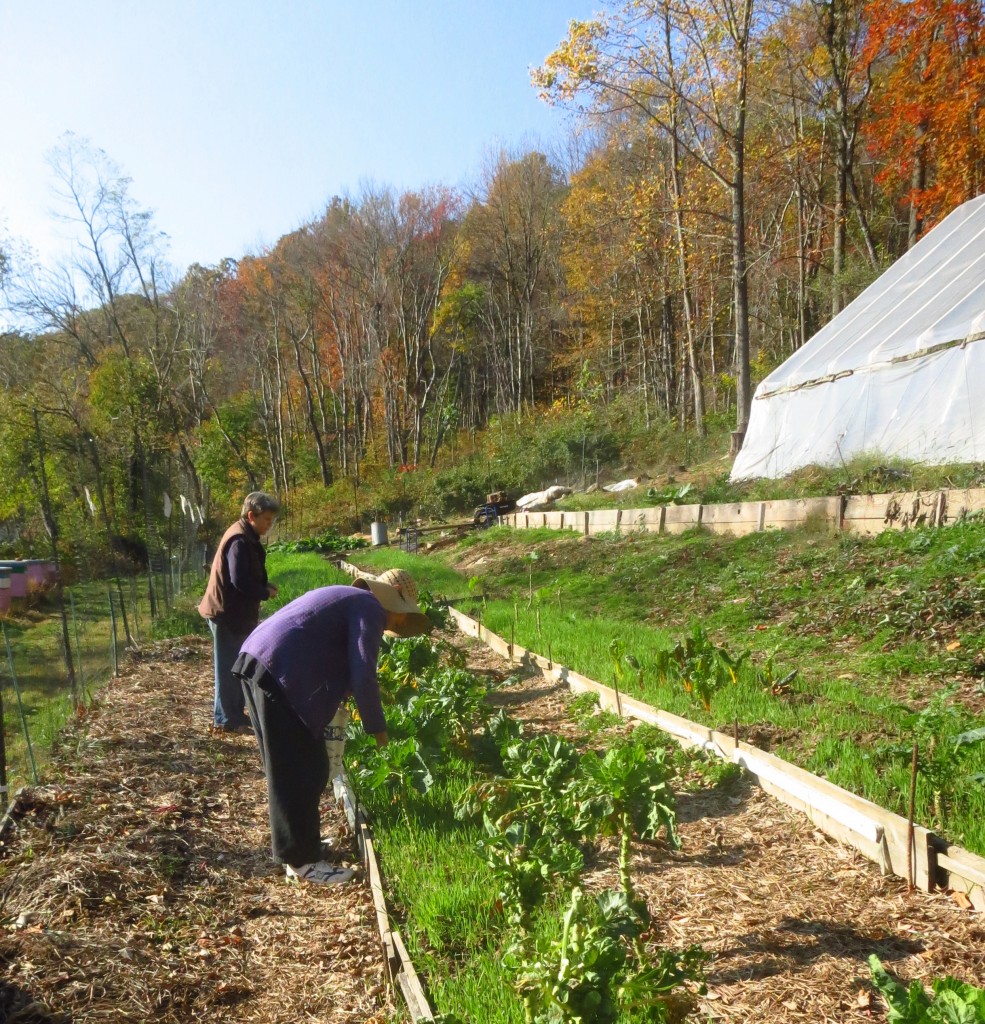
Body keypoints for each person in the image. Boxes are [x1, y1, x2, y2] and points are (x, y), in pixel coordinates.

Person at [232, 570, 431, 885]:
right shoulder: (369, 606)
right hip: (275, 672)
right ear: (392, 595)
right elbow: (364, 674)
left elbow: (336, 657)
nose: (401, 624)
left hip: (264, 663)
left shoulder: (350, 599)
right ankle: (302, 862)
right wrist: (378, 730)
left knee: (308, 766)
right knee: (296, 770)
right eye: (403, 615)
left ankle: (304, 846)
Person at [198, 492, 280, 733]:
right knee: (227, 669)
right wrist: (264, 593)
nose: (269, 524)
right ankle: (225, 719)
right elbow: (239, 581)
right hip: (226, 613)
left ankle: (234, 714)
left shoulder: (245, 534)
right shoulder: (240, 541)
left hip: (234, 612)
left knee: (236, 665)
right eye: (266, 519)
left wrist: (263, 587)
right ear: (252, 515)